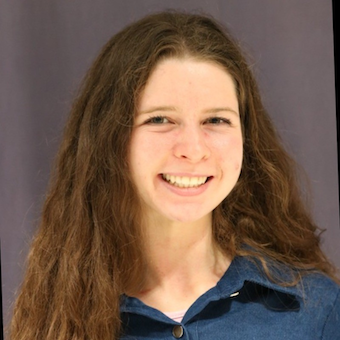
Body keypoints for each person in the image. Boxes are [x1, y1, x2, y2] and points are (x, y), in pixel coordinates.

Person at [9, 10, 340, 340]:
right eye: (160, 119)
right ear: (107, 138)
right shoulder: (57, 316)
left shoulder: (317, 312)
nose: (193, 149)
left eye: (216, 120)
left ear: (246, 138)